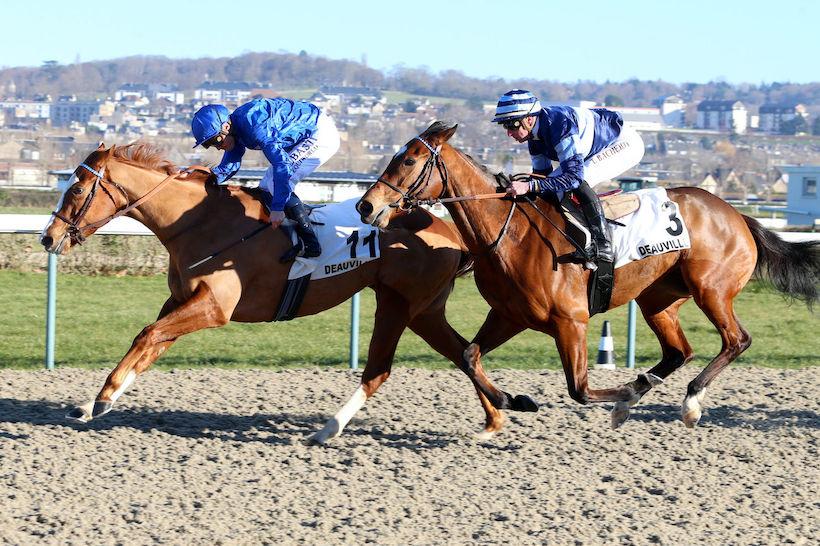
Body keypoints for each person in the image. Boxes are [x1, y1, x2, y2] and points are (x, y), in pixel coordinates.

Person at [492, 89, 645, 263]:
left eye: (512, 125)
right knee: (550, 189)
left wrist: (528, 186)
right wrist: (523, 187)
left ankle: (603, 245)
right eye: (505, 126)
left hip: (623, 144)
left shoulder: (559, 126)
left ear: (529, 119)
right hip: (594, 148)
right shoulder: (534, 138)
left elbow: (573, 177)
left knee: (579, 182)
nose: (509, 132)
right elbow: (543, 177)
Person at [191, 97, 341, 261]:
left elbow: (282, 166)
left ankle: (311, 244)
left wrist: (277, 209)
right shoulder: (235, 130)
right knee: (266, 187)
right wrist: (197, 179)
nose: (217, 147)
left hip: (320, 134)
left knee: (274, 186)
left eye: (216, 140)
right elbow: (229, 167)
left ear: (226, 126)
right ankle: (294, 231)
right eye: (210, 144)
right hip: (304, 133)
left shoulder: (255, 127)